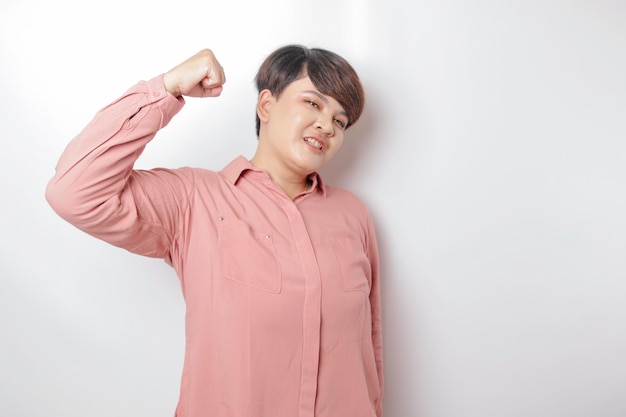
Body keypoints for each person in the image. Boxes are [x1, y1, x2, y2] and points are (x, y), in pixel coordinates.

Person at [46, 45, 383, 417]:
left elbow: (368, 351)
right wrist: (166, 88)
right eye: (314, 104)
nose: (326, 126)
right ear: (267, 106)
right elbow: (74, 192)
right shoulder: (195, 200)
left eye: (340, 120)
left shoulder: (352, 215)